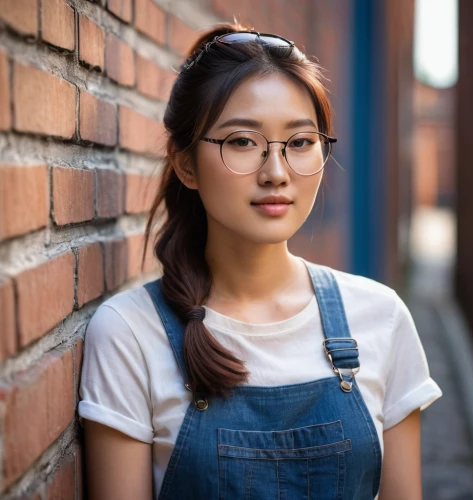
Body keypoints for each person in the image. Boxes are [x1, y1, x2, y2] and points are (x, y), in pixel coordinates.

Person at [78, 23, 442, 500]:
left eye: (300, 142)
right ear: (186, 164)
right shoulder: (130, 334)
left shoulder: (380, 317)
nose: (276, 173)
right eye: (242, 142)